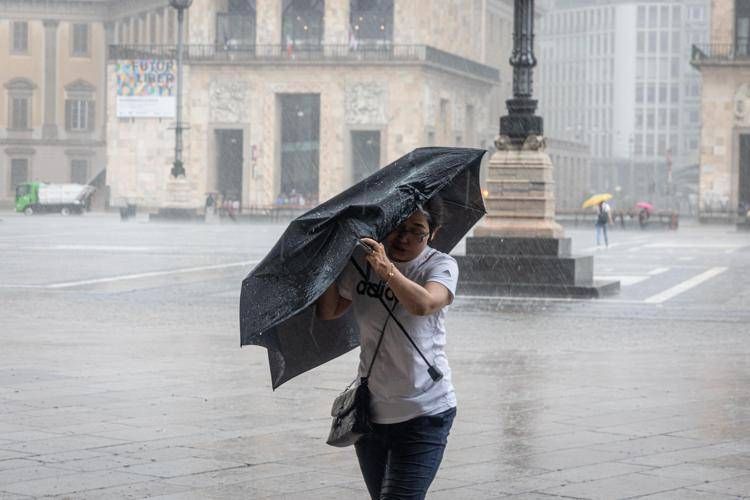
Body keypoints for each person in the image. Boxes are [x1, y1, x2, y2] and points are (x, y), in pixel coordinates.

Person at [316, 196, 458, 500]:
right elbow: (328, 311)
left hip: (425, 412)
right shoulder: (362, 262)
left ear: (433, 232)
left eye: (416, 230)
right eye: (397, 226)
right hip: (370, 414)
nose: (403, 237)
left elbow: (423, 304)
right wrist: (328, 260)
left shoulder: (440, 265)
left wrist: (387, 270)